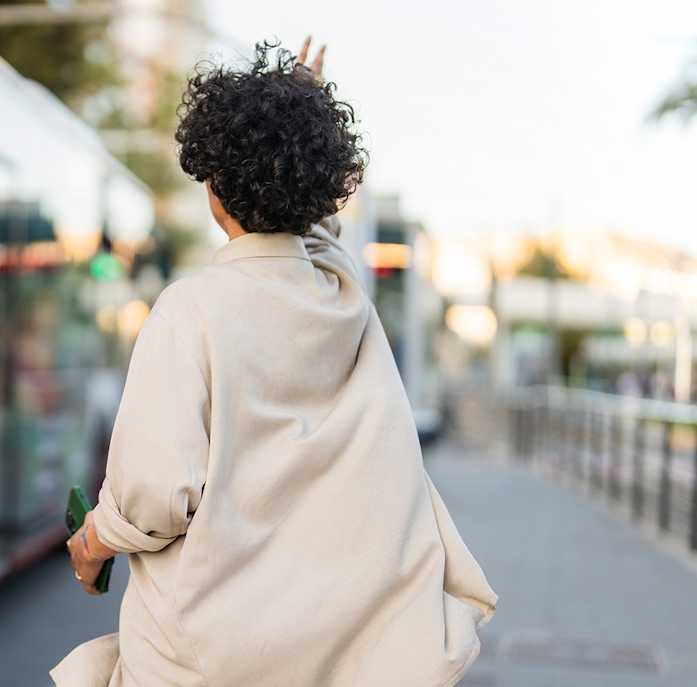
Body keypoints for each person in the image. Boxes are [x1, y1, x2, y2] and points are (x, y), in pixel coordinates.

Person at [53, 37, 497, 686]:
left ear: (213, 183)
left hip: (211, 658)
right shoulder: (343, 297)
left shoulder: (190, 311)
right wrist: (300, 116)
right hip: (339, 650)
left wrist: (92, 543)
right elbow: (315, 235)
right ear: (315, 185)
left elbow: (154, 496)